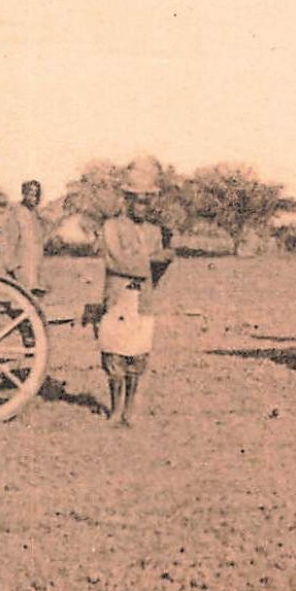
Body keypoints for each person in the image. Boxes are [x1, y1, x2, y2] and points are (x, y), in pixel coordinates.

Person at [97, 157, 174, 426]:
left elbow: (159, 268)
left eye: (148, 201)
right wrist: (154, 259)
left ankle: (129, 409)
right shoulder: (112, 227)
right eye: (139, 201)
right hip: (119, 298)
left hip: (143, 300)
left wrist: (161, 259)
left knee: (137, 357)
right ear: (127, 200)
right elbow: (116, 260)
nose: (144, 206)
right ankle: (115, 409)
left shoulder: (154, 232)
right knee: (114, 355)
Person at [0, 180, 46, 294]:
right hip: (19, 265)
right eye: (31, 193)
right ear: (23, 194)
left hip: (33, 266)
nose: (34, 197)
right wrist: (10, 262)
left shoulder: (35, 214)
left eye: (37, 194)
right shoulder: (14, 210)